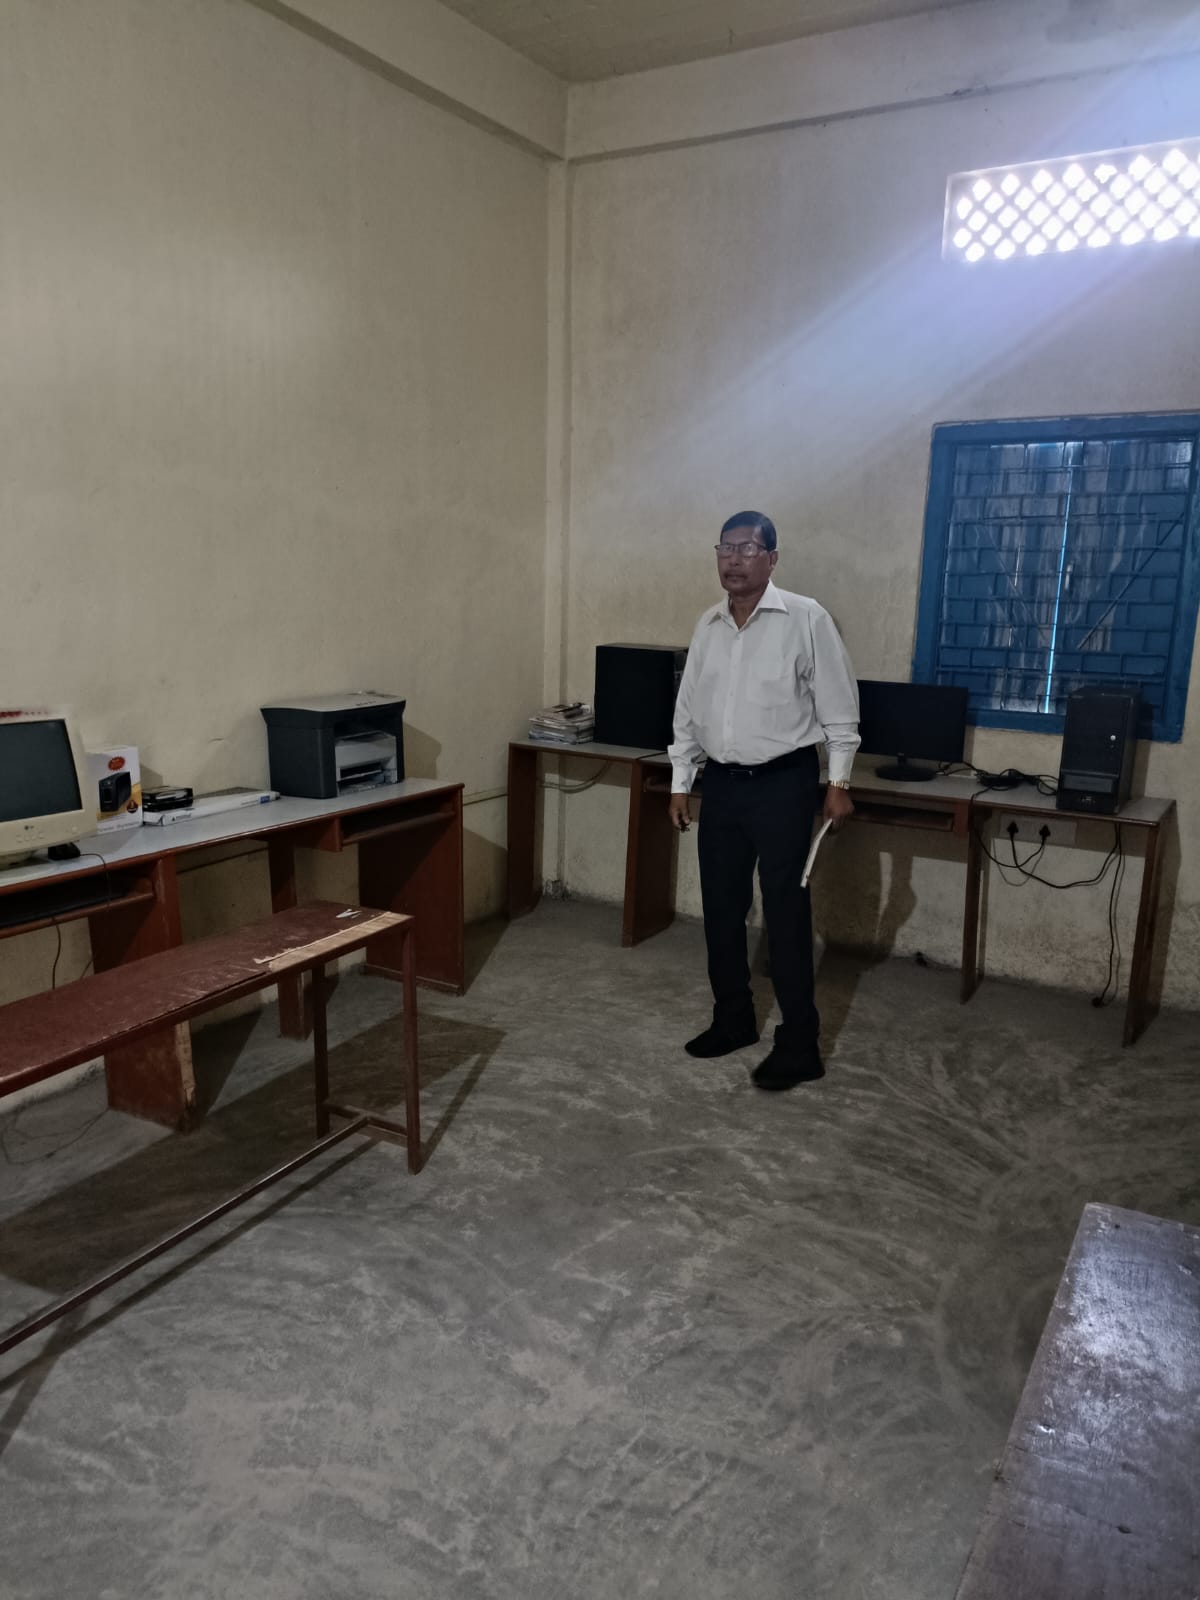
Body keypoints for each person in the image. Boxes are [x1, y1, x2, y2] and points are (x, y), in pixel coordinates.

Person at [668, 511, 860, 1091]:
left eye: (748, 548)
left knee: (785, 913)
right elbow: (688, 710)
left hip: (783, 783)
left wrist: (839, 783)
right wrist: (681, 780)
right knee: (722, 910)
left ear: (772, 559)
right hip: (723, 785)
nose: (734, 559)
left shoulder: (806, 618)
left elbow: (839, 706)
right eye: (725, 548)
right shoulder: (708, 625)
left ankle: (800, 1045)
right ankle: (733, 1021)